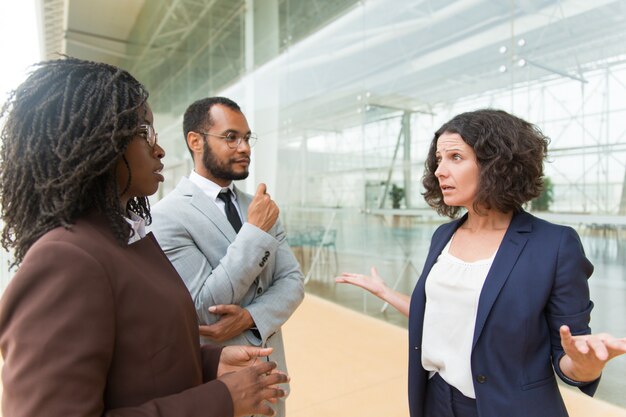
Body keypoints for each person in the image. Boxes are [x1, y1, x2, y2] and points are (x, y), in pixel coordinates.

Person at [0, 57, 289, 417]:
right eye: (143, 132)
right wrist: (221, 399)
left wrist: (208, 361)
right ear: (96, 142)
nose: (159, 148)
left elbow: (141, 357)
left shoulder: (126, 237)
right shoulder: (65, 259)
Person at [337, 109, 626, 417]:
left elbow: (569, 353)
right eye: (439, 158)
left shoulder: (554, 245)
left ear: (496, 164)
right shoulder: (444, 236)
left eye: (455, 157)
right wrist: (387, 293)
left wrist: (586, 365)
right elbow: (454, 316)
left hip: (508, 408)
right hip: (436, 399)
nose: (439, 170)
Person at [149, 97, 305, 417]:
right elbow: (204, 310)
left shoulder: (259, 203)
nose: (244, 147)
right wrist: (255, 232)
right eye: (231, 137)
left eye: (247, 138)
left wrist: (249, 318)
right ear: (196, 141)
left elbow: (292, 282)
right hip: (219, 392)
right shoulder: (166, 217)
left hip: (273, 383)